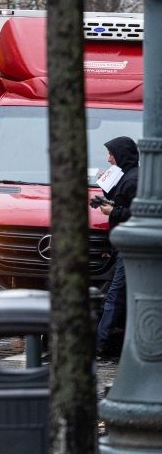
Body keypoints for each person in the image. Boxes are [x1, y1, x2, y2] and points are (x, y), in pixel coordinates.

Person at [96, 136, 139, 357]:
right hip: (123, 243)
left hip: (129, 245)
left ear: (121, 154)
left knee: (115, 293)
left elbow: (139, 211)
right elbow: (120, 199)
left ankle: (100, 342)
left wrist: (114, 212)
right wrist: (106, 198)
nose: (108, 158)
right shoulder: (127, 177)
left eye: (111, 154)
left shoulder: (133, 180)